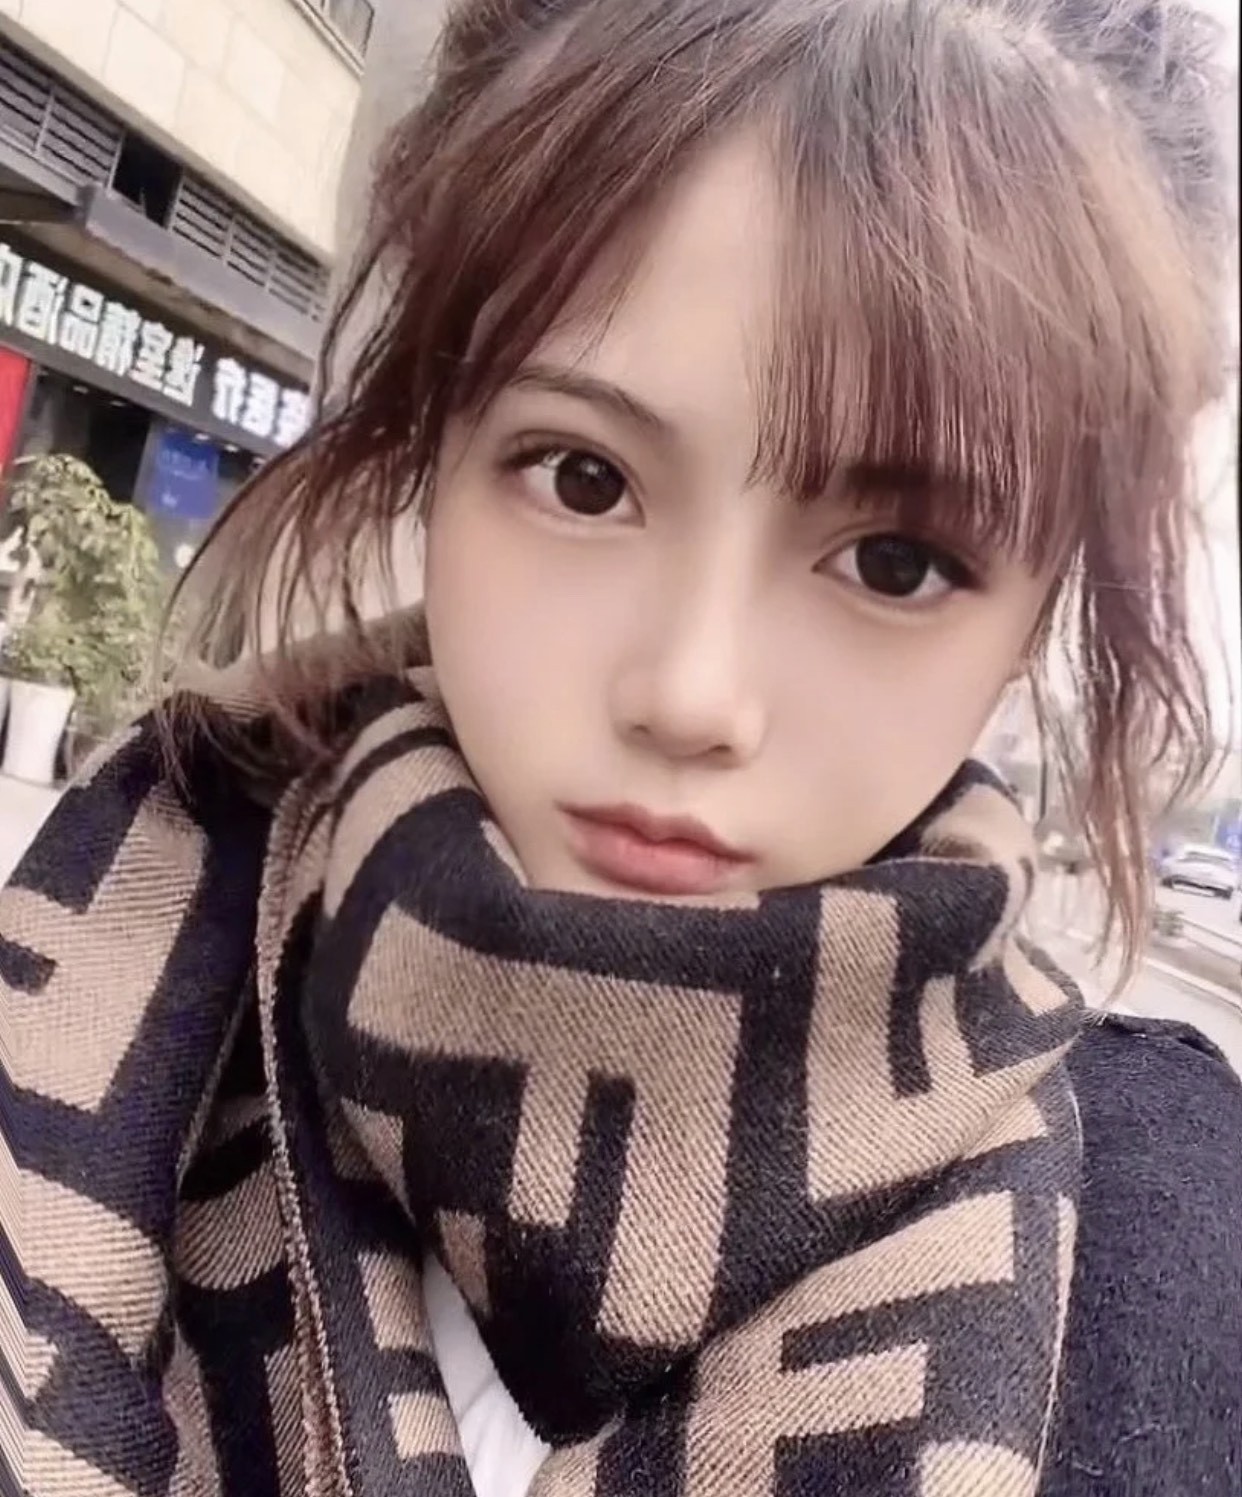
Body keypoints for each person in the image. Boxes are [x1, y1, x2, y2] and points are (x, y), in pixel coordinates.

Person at [3, 2, 1239, 1494]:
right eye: (583, 477)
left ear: (1037, 614)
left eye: (897, 562)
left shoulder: (1177, 1249)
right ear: (436, 439)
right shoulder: (117, 937)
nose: (692, 693)